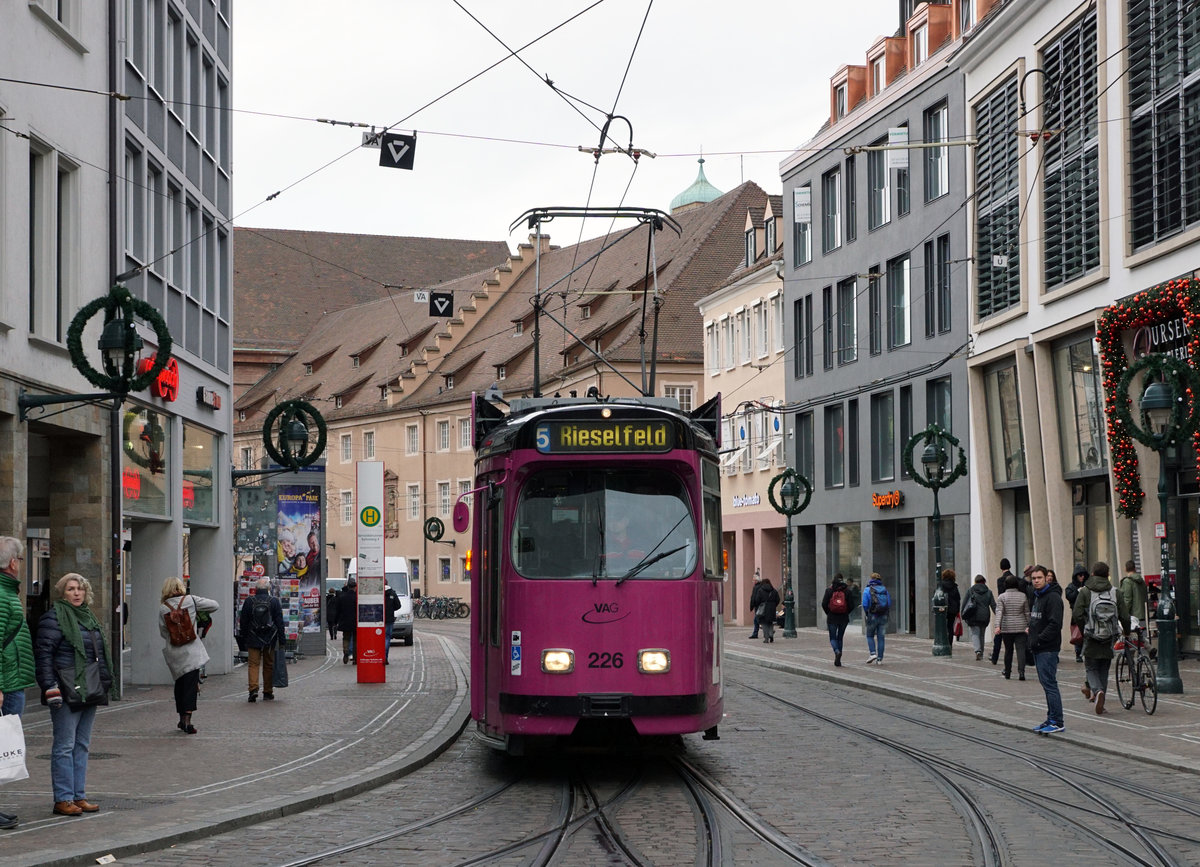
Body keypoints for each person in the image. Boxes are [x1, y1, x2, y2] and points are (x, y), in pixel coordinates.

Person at [33, 574, 114, 817]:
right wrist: (50, 687)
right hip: (65, 689)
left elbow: (98, 654)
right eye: (71, 589)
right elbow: (44, 655)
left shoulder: (89, 617)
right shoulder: (54, 618)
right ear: (62, 593)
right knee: (64, 745)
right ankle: (63, 798)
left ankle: (78, 795)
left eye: (80, 588)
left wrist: (104, 682)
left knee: (82, 744)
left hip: (89, 687)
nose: (76, 593)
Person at [0, 537, 35, 829]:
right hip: (6, 683)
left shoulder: (6, 591)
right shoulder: (1, 594)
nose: (20, 564)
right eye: (21, 559)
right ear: (13, 563)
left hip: (12, 679)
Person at [157, 577, 219, 734]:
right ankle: (187, 721)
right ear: (180, 587)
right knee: (191, 685)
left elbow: (163, 632)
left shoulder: (163, 608)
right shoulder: (191, 600)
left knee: (180, 685)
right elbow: (214, 605)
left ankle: (180, 718)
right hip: (191, 650)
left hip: (174, 652)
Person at [1071, 561, 1130, 715]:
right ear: (1107, 575)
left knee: (1091, 667)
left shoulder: (1085, 591)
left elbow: (1077, 613)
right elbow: (1124, 615)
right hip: (1109, 635)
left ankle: (1097, 692)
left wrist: (1085, 628)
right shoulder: (1115, 592)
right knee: (1104, 667)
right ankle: (1101, 699)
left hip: (1091, 635)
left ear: (1092, 574)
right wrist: (1127, 631)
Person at [1027, 565, 1065, 734]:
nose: (1036, 581)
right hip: (1038, 647)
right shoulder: (1037, 597)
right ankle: (1051, 718)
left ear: (1046, 578)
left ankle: (1057, 721)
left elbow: (1055, 624)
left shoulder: (1053, 598)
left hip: (1047, 648)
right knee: (1046, 683)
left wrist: (1039, 639)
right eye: (1033, 578)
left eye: (1039, 578)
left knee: (1050, 684)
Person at [238, 577, 285, 702]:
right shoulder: (274, 601)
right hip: (270, 639)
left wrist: (244, 636)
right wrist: (282, 638)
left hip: (253, 637)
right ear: (269, 588)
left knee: (253, 664)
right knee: (268, 665)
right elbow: (279, 622)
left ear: (255, 589)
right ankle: (268, 691)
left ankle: (253, 689)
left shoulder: (249, 601)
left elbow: (243, 621)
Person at [995, 574, 1031, 680]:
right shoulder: (1023, 596)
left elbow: (999, 612)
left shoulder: (1002, 597)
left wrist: (997, 626)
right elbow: (1027, 612)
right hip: (1021, 626)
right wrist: (1029, 625)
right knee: (1021, 650)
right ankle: (1021, 672)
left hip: (1007, 627)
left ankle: (1008, 672)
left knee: (1008, 650)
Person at [820, 572, 855, 666]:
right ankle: (839, 659)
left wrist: (829, 612)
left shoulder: (829, 590)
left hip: (832, 617)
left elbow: (823, 604)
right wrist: (846, 612)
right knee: (840, 638)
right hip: (843, 618)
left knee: (832, 637)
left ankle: (836, 651)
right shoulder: (847, 591)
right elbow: (852, 605)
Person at [962, 574, 996, 660]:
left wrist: (963, 613)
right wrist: (999, 615)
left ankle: (978, 651)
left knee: (975, 634)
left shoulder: (970, 591)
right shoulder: (989, 592)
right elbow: (993, 605)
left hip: (973, 615)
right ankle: (981, 653)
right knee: (982, 635)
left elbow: (965, 603)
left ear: (975, 582)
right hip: (985, 616)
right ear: (984, 582)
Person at [991, 558, 1017, 664]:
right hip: (1014, 609)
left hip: (1004, 610)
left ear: (1001, 567)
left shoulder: (1000, 580)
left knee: (998, 635)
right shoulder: (1016, 578)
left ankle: (995, 657)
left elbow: (1000, 595)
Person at [861, 572, 889, 664]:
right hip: (883, 616)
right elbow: (889, 603)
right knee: (881, 637)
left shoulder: (867, 589)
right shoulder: (884, 589)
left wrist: (867, 613)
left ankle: (873, 653)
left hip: (872, 615)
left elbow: (865, 604)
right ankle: (880, 659)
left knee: (869, 635)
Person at [1065, 567, 1087, 662]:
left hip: (1087, 613)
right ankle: (1078, 653)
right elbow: (1069, 597)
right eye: (1080, 575)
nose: (1082, 577)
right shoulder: (1071, 586)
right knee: (1077, 634)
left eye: (1083, 575)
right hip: (1077, 614)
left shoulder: (1087, 585)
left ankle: (1085, 653)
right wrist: (1078, 591)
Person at [938, 569, 962, 653]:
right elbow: (958, 599)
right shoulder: (955, 586)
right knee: (950, 627)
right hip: (952, 610)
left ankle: (942, 643)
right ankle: (950, 645)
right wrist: (957, 610)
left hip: (943, 609)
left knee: (942, 627)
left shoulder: (941, 585)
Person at [1120, 560, 1148, 630]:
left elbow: (1127, 599)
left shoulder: (1127, 581)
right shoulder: (1142, 581)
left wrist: (1123, 614)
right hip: (1143, 613)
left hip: (1133, 616)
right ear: (1135, 568)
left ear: (1125, 569)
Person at [337, 577, 358, 664]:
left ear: (348, 586)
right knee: (356, 640)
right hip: (355, 621)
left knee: (346, 638)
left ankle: (346, 652)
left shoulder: (342, 597)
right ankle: (355, 658)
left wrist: (337, 621)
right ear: (355, 587)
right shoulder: (357, 598)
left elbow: (338, 610)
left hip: (345, 621)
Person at [757, 578, 780, 643]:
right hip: (772, 608)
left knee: (764, 624)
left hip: (764, 608)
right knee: (770, 623)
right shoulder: (774, 590)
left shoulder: (760, 590)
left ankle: (766, 638)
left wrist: (760, 605)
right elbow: (778, 599)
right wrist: (773, 605)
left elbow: (757, 600)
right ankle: (771, 634)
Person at [384, 579, 400, 663]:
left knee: (379, 638)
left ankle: (378, 656)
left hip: (378, 619)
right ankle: (385, 656)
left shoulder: (378, 592)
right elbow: (398, 605)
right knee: (387, 638)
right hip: (389, 619)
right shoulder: (392, 593)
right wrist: (391, 609)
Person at [748, 571, 764, 640]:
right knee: (757, 620)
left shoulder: (757, 587)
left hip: (758, 606)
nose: (753, 581)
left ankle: (768, 631)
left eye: (753, 580)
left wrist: (753, 604)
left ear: (756, 580)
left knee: (757, 620)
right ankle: (756, 633)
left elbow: (754, 597)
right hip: (759, 605)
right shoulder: (760, 586)